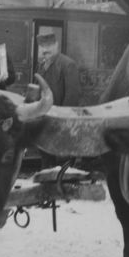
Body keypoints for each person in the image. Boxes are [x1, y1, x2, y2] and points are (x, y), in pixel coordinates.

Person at [35, 30, 82, 169]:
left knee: (61, 161)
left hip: (60, 122)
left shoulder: (67, 65)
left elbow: (73, 96)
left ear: (56, 45)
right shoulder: (42, 66)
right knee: (46, 159)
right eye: (43, 46)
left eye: (49, 45)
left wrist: (61, 120)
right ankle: (47, 187)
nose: (45, 49)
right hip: (45, 120)